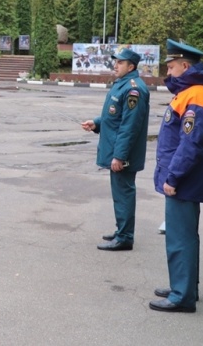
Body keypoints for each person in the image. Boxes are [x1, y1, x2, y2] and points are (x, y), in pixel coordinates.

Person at [149, 39, 203, 314]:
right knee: (185, 236)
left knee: (180, 238)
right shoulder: (190, 92)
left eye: (172, 65)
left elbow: (190, 144)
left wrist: (173, 177)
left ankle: (182, 295)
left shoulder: (196, 95)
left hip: (184, 181)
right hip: (186, 179)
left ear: (185, 65)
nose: (168, 70)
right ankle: (186, 286)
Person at [80, 48, 150, 252]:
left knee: (124, 193)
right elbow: (114, 117)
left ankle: (125, 237)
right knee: (120, 193)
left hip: (123, 155)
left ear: (131, 66)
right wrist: (96, 123)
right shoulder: (122, 85)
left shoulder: (133, 89)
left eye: (120, 63)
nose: (115, 65)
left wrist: (119, 156)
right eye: (116, 62)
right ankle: (122, 230)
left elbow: (129, 126)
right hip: (116, 150)